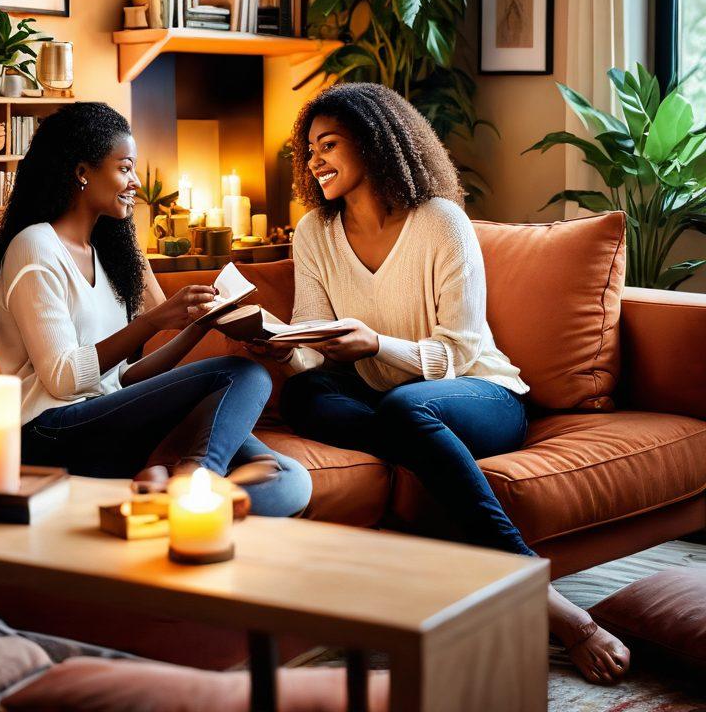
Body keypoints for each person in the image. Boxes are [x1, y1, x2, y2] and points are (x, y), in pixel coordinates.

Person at [258, 83, 628, 684]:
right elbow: (312, 343)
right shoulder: (315, 232)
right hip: (385, 398)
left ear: (374, 144)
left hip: (481, 393)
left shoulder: (440, 222)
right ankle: (419, 445)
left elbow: (459, 350)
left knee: (405, 408)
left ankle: (545, 598)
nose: (315, 161)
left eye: (328, 145)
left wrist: (376, 344)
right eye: (310, 150)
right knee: (307, 396)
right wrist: (279, 348)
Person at [0, 102, 311, 517]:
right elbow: (64, 379)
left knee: (290, 479)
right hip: (53, 431)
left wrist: (198, 326)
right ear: (82, 171)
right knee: (241, 375)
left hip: (109, 419)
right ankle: (195, 479)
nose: (135, 182)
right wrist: (152, 321)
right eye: (124, 168)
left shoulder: (107, 257)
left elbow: (122, 379)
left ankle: (167, 504)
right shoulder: (35, 246)